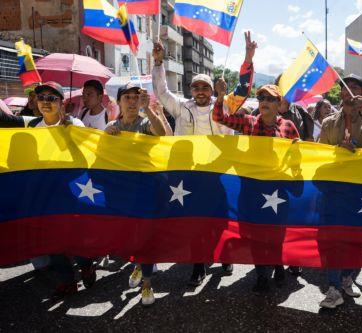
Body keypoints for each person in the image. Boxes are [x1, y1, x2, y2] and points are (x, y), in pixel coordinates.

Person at [152, 32, 255, 286]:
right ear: (190, 89)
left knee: (220, 217)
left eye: (205, 87)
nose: (200, 91)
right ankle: (199, 264)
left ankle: (224, 256)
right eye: (196, 87)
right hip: (190, 174)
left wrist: (248, 57)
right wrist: (158, 63)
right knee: (196, 220)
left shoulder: (225, 106)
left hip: (219, 173)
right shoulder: (181, 107)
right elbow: (161, 91)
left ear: (212, 89)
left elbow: (243, 89)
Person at [0, 82, 94, 300]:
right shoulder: (32, 125)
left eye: (52, 99)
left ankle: (86, 266)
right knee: (51, 239)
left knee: (74, 237)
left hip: (71, 191)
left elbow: (87, 157)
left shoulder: (75, 125)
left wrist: (69, 135)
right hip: (45, 193)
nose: (46, 102)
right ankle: (68, 281)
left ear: (62, 103)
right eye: (41, 98)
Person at [213, 82, 299, 292]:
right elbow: (219, 118)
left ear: (279, 104)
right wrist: (221, 95)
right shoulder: (249, 122)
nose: (264, 103)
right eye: (261, 98)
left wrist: (295, 153)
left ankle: (278, 266)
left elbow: (298, 158)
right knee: (256, 234)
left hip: (278, 191)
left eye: (270, 99)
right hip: (251, 191)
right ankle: (261, 275)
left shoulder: (288, 126)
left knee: (277, 233)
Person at [318, 74, 362, 309]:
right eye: (345, 89)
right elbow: (318, 156)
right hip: (336, 191)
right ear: (341, 94)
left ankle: (348, 278)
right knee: (333, 239)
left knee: (358, 238)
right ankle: (333, 288)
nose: (349, 93)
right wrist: (338, 152)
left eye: (355, 88)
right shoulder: (329, 123)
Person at [105, 83, 171, 306]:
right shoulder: (112, 126)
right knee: (132, 237)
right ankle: (138, 266)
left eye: (136, 97)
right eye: (127, 98)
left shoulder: (144, 123)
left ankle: (147, 284)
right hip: (124, 193)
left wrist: (149, 110)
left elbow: (161, 133)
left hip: (147, 189)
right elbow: (102, 154)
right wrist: (106, 135)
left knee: (146, 236)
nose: (132, 102)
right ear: (119, 102)